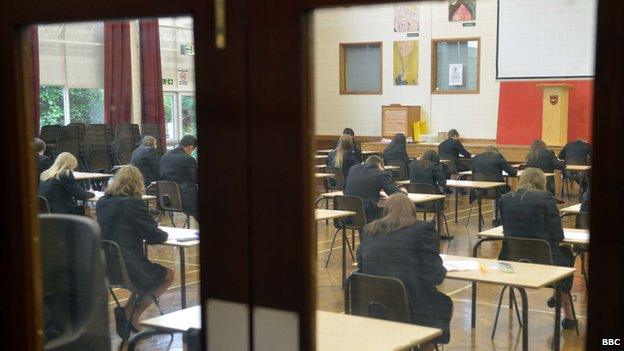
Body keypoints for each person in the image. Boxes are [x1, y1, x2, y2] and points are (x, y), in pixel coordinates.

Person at [357, 193, 452, 349]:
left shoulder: (368, 230)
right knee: (439, 305)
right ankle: (427, 344)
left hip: (373, 306)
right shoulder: (424, 229)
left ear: (385, 211)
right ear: (412, 210)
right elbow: (436, 277)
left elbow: (362, 268)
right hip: (411, 307)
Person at [96, 166, 175, 335]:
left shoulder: (102, 202)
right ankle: (133, 314)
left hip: (106, 265)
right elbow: (155, 237)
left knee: (144, 279)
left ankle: (128, 313)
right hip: (129, 264)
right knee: (168, 275)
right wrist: (161, 230)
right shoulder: (133, 203)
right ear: (137, 183)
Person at [499, 168, 577, 329]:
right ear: (541, 182)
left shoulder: (505, 199)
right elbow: (558, 235)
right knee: (568, 255)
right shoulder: (546, 198)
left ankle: (559, 297)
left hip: (512, 262)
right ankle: (567, 312)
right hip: (545, 262)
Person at [344, 155, 406, 222]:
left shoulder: (353, 169)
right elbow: (395, 194)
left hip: (349, 214)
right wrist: (403, 191)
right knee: (394, 212)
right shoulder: (380, 174)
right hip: (367, 214)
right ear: (379, 164)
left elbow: (347, 189)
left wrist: (375, 194)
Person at [160, 135, 199, 222]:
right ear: (190, 148)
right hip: (184, 200)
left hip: (166, 199)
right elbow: (195, 179)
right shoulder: (189, 159)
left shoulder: (164, 157)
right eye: (193, 150)